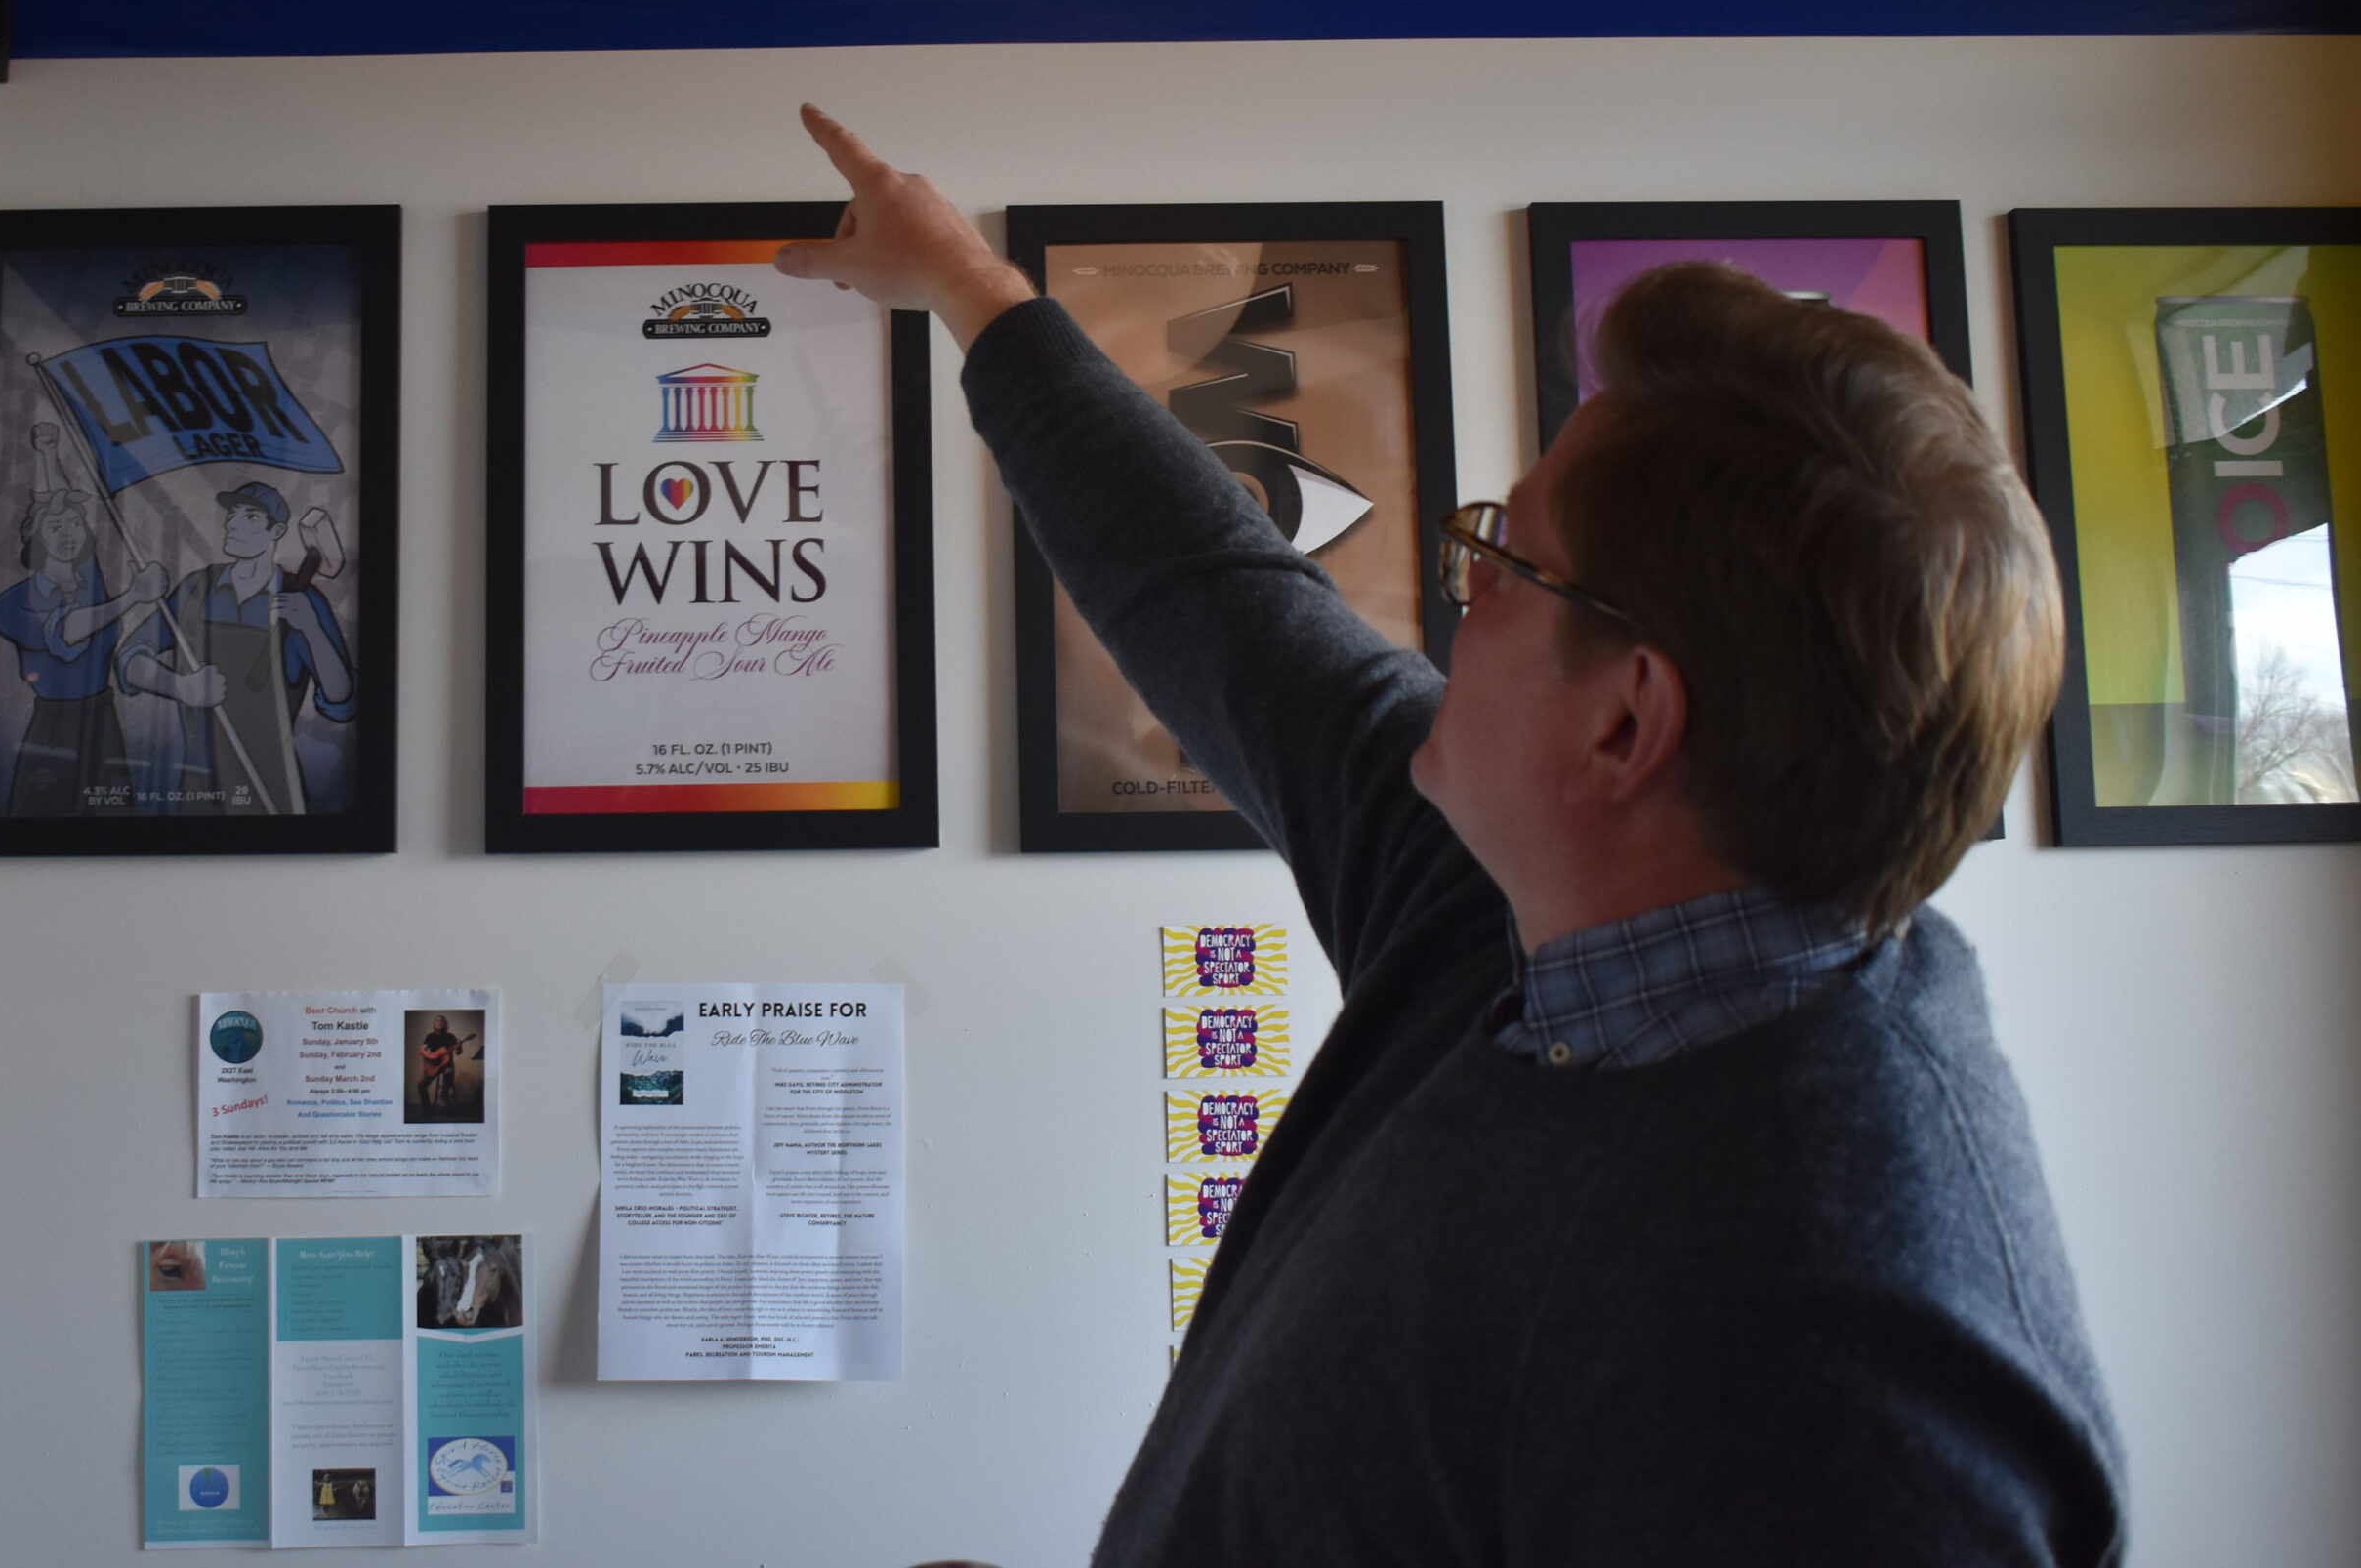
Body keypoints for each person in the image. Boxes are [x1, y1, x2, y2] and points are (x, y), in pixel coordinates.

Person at [773, 105, 2123, 1564]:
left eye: (1499, 558)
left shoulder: (1844, 1367)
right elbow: (1222, 599)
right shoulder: (1520, 917)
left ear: (1625, 722)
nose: (1450, 593)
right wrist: (972, 289)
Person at [116, 480, 355, 814]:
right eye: (232, 515)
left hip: (272, 790)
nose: (233, 524)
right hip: (199, 788)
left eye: (251, 517)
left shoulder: (303, 601)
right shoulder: (197, 591)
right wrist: (179, 686)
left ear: (278, 531)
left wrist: (312, 629)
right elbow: (128, 659)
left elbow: (342, 700)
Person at [0, 421, 167, 814]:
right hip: (54, 725)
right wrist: (134, 595)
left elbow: (59, 498)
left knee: (113, 820)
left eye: (74, 525)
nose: (68, 533)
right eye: (55, 527)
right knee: (42, 818)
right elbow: (66, 629)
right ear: (37, 540)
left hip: (103, 720)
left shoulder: (88, 581)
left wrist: (49, 453)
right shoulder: (12, 604)